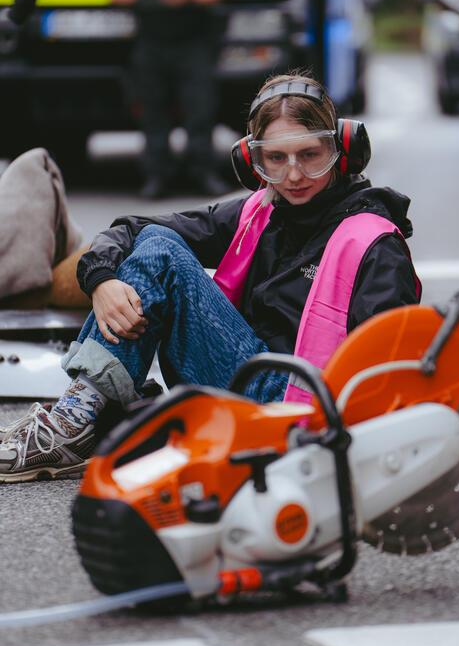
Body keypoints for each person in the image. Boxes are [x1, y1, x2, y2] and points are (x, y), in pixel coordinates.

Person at [0, 72, 421, 482]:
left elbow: (385, 374)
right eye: (276, 158)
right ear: (252, 161)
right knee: (155, 240)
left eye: (309, 155)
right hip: (249, 383)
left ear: (342, 150)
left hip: (301, 409)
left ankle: (76, 425)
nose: (293, 175)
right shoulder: (259, 211)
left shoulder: (374, 243)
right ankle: (82, 415)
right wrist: (101, 280)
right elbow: (131, 228)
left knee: (162, 252)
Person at [113, 0, 227, 199]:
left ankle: (203, 173)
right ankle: (156, 177)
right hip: (151, 42)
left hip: (191, 42)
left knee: (200, 110)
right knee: (152, 112)